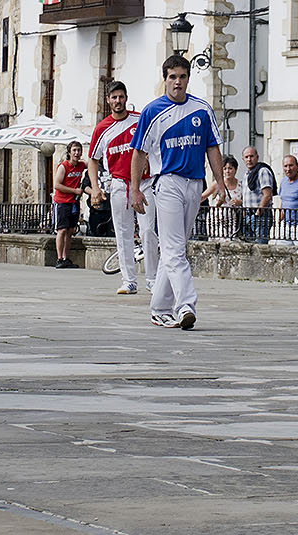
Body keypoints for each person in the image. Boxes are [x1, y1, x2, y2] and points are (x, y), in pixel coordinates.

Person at [129, 54, 226, 330]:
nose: (177, 82)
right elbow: (139, 153)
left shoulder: (202, 109)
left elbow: (212, 147)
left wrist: (219, 182)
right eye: (172, 77)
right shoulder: (152, 111)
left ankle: (160, 308)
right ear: (165, 79)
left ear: (188, 79)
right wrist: (135, 190)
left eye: (182, 77)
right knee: (173, 248)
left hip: (195, 183)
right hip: (167, 182)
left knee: (175, 249)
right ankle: (185, 305)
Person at [90, 80, 155, 296]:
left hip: (144, 183)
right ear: (108, 100)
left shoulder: (139, 120)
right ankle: (129, 281)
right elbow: (93, 159)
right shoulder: (102, 129)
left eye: (121, 97)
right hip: (119, 183)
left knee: (148, 231)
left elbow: (154, 144)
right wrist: (95, 187)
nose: (118, 101)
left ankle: (153, 279)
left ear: (126, 98)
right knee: (123, 233)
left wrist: (151, 161)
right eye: (114, 97)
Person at [50, 140, 89, 268]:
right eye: (74, 150)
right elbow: (57, 185)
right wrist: (74, 190)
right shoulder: (63, 166)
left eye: (79, 150)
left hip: (74, 203)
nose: (77, 153)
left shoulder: (81, 165)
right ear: (69, 152)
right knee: (61, 230)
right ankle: (59, 258)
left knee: (70, 231)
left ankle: (66, 257)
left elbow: (92, 162)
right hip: (62, 202)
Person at [240, 145, 276, 243]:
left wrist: (258, 212)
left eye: (251, 156)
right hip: (248, 215)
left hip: (260, 215)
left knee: (260, 246)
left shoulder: (263, 171)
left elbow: (267, 195)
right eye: (246, 157)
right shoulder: (247, 174)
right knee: (248, 246)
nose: (249, 159)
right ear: (243, 159)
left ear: (257, 157)